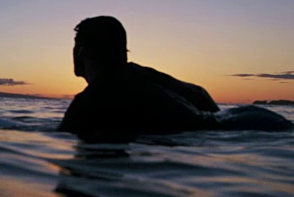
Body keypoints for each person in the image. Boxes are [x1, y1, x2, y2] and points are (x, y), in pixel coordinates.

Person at [58, 16, 221, 141]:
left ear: (79, 52)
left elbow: (67, 131)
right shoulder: (149, 78)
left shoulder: (91, 101)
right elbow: (204, 99)